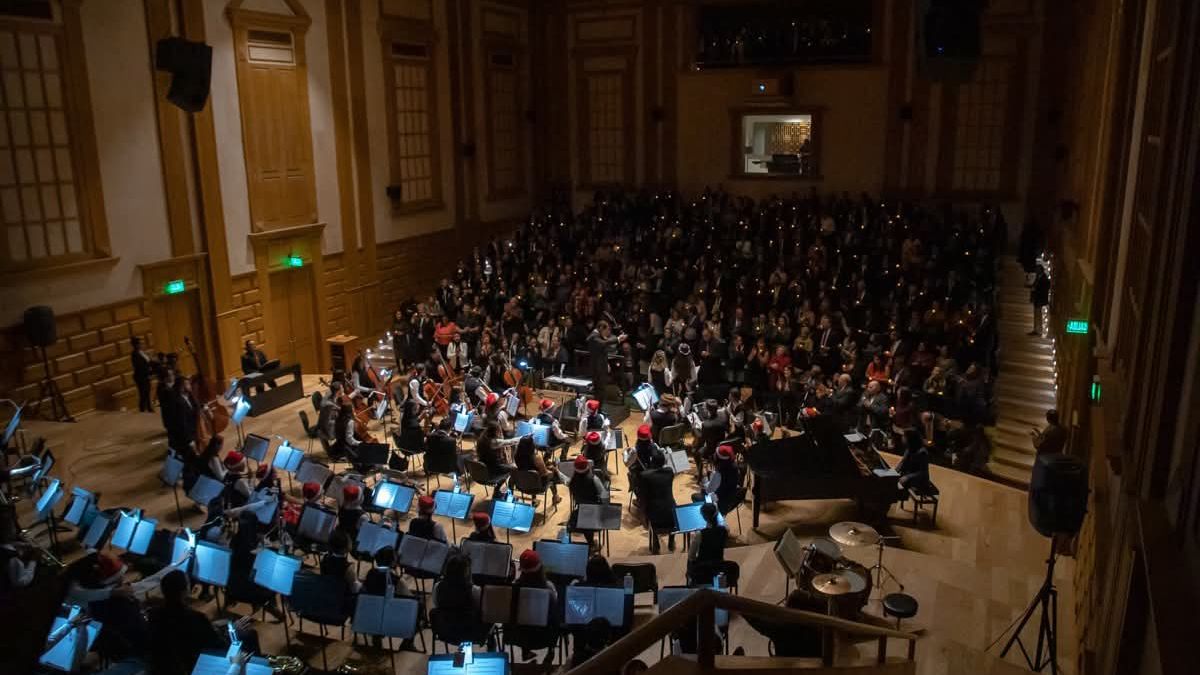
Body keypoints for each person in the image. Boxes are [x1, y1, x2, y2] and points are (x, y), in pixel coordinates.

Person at [148, 569, 258, 675]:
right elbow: (218, 645)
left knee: (225, 623)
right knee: (250, 635)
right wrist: (233, 631)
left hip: (163, 667)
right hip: (192, 666)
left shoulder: (154, 614)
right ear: (184, 592)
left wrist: (214, 626)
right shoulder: (196, 618)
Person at [637, 452, 678, 554]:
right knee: (671, 507)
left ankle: (655, 543)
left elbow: (642, 497)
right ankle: (671, 541)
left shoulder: (644, 475)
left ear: (652, 462)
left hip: (655, 514)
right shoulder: (669, 472)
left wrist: (642, 514)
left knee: (651, 510)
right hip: (671, 512)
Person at [568, 455, 609, 547]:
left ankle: (591, 543)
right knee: (589, 519)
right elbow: (604, 497)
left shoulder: (572, 481)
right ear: (587, 467)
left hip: (580, 515)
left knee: (585, 518)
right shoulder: (594, 479)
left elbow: (565, 481)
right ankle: (591, 544)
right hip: (595, 514)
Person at [514, 434, 564, 505]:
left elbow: (529, 471)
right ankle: (556, 497)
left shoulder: (516, 456)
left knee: (531, 475)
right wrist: (554, 470)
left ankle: (534, 499)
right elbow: (545, 474)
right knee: (553, 476)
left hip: (522, 485)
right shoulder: (536, 458)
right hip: (538, 487)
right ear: (531, 446)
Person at [685, 502, 727, 585]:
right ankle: (720, 587)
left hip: (703, 570)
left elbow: (691, 556)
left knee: (689, 561)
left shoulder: (699, 534)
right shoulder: (724, 530)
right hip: (719, 566)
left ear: (704, 517)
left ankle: (692, 584)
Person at [475, 422, 519, 498]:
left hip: (483, 467)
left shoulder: (481, 439)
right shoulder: (493, 442)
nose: (500, 432)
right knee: (514, 468)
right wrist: (524, 437)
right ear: (495, 431)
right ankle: (509, 493)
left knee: (507, 467)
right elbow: (511, 442)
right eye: (499, 430)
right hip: (491, 470)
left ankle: (497, 491)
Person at [587, 320, 625, 403]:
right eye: (606, 330)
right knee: (599, 390)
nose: (607, 333)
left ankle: (598, 407)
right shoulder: (594, 336)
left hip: (600, 366)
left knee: (601, 390)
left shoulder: (598, 336)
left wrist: (606, 363)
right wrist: (618, 339)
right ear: (601, 328)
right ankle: (597, 408)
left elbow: (603, 350)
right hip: (597, 368)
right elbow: (604, 343)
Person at [702, 444, 742, 516]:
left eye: (716, 453)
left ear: (719, 459)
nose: (714, 454)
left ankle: (710, 518)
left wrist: (704, 476)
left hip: (719, 503)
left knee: (697, 495)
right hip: (730, 499)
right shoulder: (735, 468)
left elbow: (708, 490)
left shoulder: (719, 474)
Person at [130, 335, 154, 413]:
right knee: (143, 393)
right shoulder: (134, 354)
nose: (141, 345)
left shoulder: (142, 352)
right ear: (135, 345)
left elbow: (148, 361)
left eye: (141, 343)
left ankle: (149, 407)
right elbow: (139, 365)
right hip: (141, 376)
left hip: (146, 375)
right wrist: (148, 368)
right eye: (139, 343)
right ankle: (142, 409)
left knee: (147, 392)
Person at [1029, 264, 1051, 337]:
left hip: (1040, 300)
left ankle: (1039, 331)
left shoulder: (1044, 279)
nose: (1036, 271)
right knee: (1036, 315)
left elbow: (1043, 290)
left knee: (1038, 315)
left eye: (1037, 269)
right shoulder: (1038, 277)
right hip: (1037, 299)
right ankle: (1036, 330)